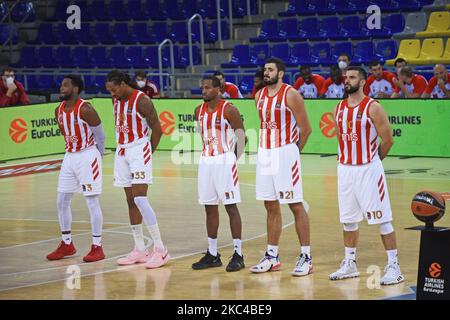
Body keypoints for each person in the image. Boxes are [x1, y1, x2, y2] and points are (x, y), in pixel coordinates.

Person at [329, 66, 404, 285]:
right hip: (345, 169)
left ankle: (394, 266)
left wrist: (373, 161)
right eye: (346, 77)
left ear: (362, 82)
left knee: (382, 219)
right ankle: (350, 263)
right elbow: (342, 139)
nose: (347, 80)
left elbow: (388, 139)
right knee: (348, 220)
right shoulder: (338, 108)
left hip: (368, 168)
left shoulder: (373, 107)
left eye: (352, 77)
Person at [250, 57, 313, 277]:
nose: (266, 73)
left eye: (270, 70)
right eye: (265, 69)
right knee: (270, 205)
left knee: (295, 205)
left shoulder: (291, 94)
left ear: (281, 73)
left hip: (286, 152)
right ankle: (272, 256)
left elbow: (306, 129)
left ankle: (306, 256)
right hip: (265, 153)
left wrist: (293, 154)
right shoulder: (258, 95)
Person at [105, 70, 169, 269]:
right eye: (110, 92)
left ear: (124, 83)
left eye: (114, 90)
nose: (112, 95)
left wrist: (148, 151)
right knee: (130, 200)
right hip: (122, 150)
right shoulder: (116, 100)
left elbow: (157, 129)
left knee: (140, 199)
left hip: (139, 148)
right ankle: (140, 249)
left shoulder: (142, 100)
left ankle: (161, 249)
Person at [46, 75, 106, 263]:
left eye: (66, 85)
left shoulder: (86, 108)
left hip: (88, 155)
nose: (61, 87)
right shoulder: (58, 110)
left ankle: (97, 247)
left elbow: (101, 135)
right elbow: (65, 133)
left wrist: (99, 156)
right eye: (61, 85)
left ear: (76, 89)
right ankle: (67, 243)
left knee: (92, 201)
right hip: (69, 156)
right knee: (61, 200)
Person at [192, 76, 247, 272]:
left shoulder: (229, 109)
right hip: (206, 160)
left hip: (225, 160)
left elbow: (242, 137)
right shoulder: (198, 110)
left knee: (231, 207)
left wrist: (232, 159)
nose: (203, 91)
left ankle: (239, 254)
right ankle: (213, 254)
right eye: (202, 88)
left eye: (207, 88)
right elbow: (203, 135)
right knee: (209, 207)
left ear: (218, 89)